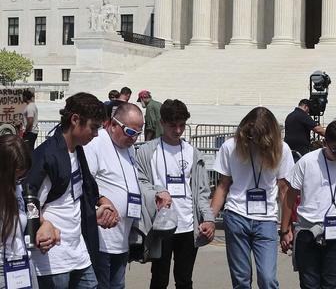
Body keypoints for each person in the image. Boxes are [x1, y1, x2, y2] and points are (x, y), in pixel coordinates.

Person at [25, 92, 119, 289]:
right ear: (75, 120)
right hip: (53, 259)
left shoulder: (76, 150)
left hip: (79, 253)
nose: (96, 134)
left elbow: (81, 191)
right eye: (93, 128)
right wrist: (42, 223)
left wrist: (101, 203)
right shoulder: (46, 155)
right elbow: (26, 198)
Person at [212, 107, 295, 289]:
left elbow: (284, 190)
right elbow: (223, 185)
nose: (253, 142)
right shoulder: (230, 146)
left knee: (267, 278)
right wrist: (210, 219)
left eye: (257, 138)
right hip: (236, 215)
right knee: (241, 280)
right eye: (250, 137)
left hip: (266, 220)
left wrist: (286, 227)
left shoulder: (282, 149)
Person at [135, 99, 214, 289]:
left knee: (185, 279)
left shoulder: (192, 153)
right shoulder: (147, 151)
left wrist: (208, 218)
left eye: (182, 125)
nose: (178, 130)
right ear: (161, 123)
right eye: (172, 126)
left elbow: (202, 191)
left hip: (187, 225)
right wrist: (157, 192)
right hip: (160, 226)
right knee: (159, 278)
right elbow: (139, 181)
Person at [280, 120, 336, 289]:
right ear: (325, 143)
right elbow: (290, 196)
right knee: (309, 284)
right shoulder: (307, 162)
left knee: (332, 284)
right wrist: (285, 229)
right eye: (335, 149)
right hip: (307, 230)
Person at [83, 103, 144, 289]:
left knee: (118, 284)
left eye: (138, 133)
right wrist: (101, 200)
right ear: (114, 124)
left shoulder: (129, 147)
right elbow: (86, 184)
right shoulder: (96, 143)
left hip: (123, 237)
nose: (133, 138)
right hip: (103, 239)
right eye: (130, 132)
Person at [0, 135, 60, 289]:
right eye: (15, 175)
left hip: (23, 264)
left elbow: (28, 211)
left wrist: (45, 223)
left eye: (21, 176)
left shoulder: (16, 186)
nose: (18, 180)